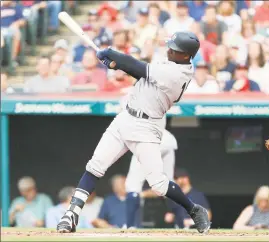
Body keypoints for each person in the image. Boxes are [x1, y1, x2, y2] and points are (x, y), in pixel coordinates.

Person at [56, 31, 210, 234]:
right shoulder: (170, 62)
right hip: (125, 118)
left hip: (146, 128)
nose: (169, 50)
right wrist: (115, 64)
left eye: (175, 49)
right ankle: (71, 214)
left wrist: (113, 54)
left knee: (158, 184)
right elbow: (139, 73)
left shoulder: (178, 74)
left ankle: (194, 210)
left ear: (186, 55)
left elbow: (138, 67)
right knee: (95, 165)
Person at [125, 118, 178, 228]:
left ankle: (129, 225)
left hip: (148, 140)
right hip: (167, 139)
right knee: (168, 182)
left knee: (132, 185)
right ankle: (181, 219)